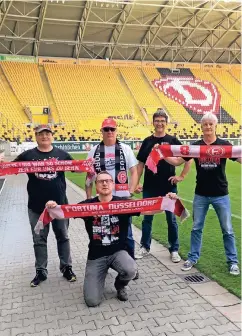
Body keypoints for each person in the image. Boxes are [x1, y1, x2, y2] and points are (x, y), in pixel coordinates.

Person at [46, 171, 178, 306]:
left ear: (113, 184)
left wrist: (167, 201)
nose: (104, 183)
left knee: (130, 270)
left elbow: (150, 209)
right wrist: (52, 207)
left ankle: (120, 285)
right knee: (92, 301)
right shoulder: (87, 205)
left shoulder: (124, 204)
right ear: (96, 186)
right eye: (100, 181)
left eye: (108, 181)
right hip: (96, 255)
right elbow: (63, 213)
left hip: (118, 252)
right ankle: (100, 275)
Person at [164, 113, 241, 275]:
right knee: (196, 228)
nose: (207, 127)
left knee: (227, 229)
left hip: (221, 194)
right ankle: (192, 258)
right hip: (201, 194)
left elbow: (239, 158)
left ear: (215, 126)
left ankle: (233, 262)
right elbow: (178, 161)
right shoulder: (196, 147)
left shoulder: (224, 145)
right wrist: (162, 154)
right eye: (205, 124)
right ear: (201, 126)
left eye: (210, 124)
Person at [13, 124, 77, 287]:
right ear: (36, 136)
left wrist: (87, 166)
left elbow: (77, 168)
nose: (45, 137)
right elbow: (12, 168)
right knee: (39, 239)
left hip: (59, 207)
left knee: (63, 237)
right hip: (36, 207)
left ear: (52, 136)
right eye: (41, 134)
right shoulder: (27, 155)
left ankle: (66, 267)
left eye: (48, 134)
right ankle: (41, 271)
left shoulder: (61, 154)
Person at [135, 109, 191, 262]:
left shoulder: (172, 140)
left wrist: (181, 176)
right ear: (153, 122)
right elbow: (140, 164)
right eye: (157, 120)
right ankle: (144, 247)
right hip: (150, 186)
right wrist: (136, 182)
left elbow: (188, 158)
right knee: (147, 218)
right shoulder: (147, 141)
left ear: (166, 123)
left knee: (171, 219)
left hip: (168, 187)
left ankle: (174, 249)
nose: (159, 123)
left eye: (162, 121)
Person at [85, 118, 138, 264]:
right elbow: (89, 177)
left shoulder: (125, 149)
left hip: (121, 200)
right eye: (106, 129)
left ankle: (130, 263)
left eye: (112, 129)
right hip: (101, 201)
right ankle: (104, 263)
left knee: (127, 234)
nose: (109, 132)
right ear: (101, 131)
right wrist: (89, 199)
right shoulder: (93, 151)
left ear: (116, 131)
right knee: (102, 233)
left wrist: (130, 192)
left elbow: (134, 172)